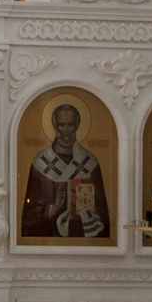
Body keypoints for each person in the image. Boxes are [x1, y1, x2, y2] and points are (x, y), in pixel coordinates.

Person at [22, 102, 108, 238]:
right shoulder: (40, 163)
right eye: (62, 125)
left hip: (82, 237)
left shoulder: (90, 163)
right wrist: (52, 209)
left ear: (77, 126)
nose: (66, 130)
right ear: (55, 126)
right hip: (48, 239)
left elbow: (102, 211)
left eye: (71, 125)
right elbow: (28, 215)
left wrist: (85, 216)